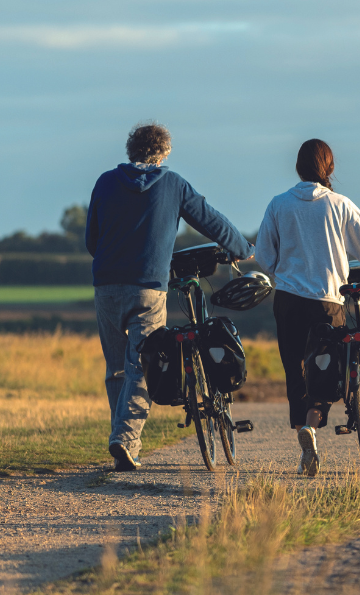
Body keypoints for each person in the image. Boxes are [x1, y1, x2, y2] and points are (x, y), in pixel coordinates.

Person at [86, 122, 253, 471]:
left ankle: (123, 440)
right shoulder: (173, 184)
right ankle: (126, 440)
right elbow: (211, 221)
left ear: (131, 150)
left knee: (116, 367)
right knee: (141, 365)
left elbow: (92, 240)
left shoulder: (104, 182)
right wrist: (241, 248)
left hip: (106, 286)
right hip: (148, 287)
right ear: (163, 153)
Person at [254, 138, 360, 476]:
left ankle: (308, 434)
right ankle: (315, 426)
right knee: (327, 372)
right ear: (329, 168)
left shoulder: (278, 205)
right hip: (326, 302)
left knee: (297, 371)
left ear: (299, 168)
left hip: (287, 302)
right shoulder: (340, 204)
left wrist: (288, 273)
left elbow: (263, 257)